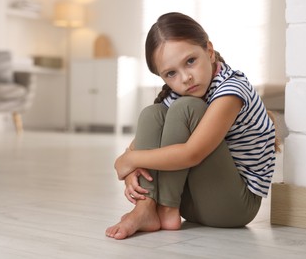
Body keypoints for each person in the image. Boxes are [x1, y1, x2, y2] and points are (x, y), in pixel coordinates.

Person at [105, 12, 279, 240]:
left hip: (233, 208)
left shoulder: (232, 89)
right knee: (152, 114)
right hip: (192, 204)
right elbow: (136, 148)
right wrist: (131, 169)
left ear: (208, 50)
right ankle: (145, 209)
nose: (185, 78)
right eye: (171, 73)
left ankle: (166, 208)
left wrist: (131, 160)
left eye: (190, 61)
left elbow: (192, 154)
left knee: (187, 108)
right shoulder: (180, 92)